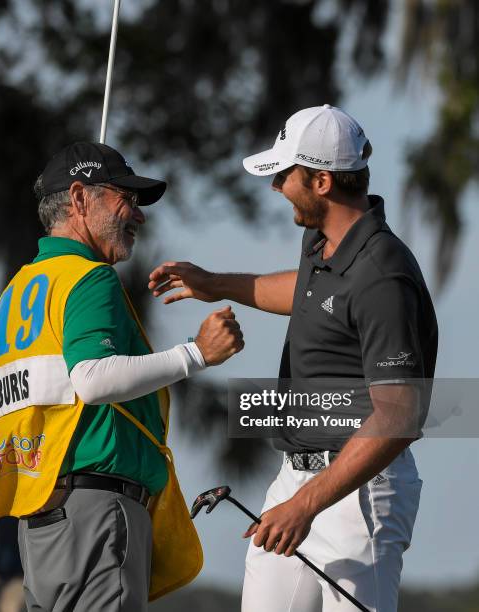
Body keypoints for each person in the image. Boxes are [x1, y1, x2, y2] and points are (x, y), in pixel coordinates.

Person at [148, 105, 438, 612]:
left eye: (284, 175)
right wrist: (214, 284)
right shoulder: (323, 244)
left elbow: (398, 416)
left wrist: (305, 505)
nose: (275, 185)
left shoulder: (382, 274)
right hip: (297, 478)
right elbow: (307, 292)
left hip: (359, 496)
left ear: (322, 181)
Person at [0, 142, 244, 612]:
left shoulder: (13, 295)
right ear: (79, 198)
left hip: (39, 522)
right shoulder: (88, 276)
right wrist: (197, 353)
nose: (137, 216)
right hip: (95, 514)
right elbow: (93, 381)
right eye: (126, 200)